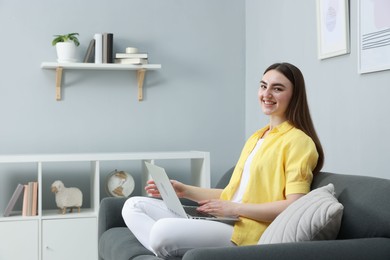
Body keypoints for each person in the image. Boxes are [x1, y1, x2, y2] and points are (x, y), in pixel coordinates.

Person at [122, 62, 324, 259]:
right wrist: (184, 190)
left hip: (247, 231)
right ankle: (173, 250)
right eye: (263, 86)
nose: (267, 94)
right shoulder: (257, 137)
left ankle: (170, 248)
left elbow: (293, 205)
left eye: (277, 88)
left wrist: (234, 209)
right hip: (227, 219)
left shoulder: (299, 141)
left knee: (160, 232)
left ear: (295, 95)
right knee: (132, 206)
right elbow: (235, 195)